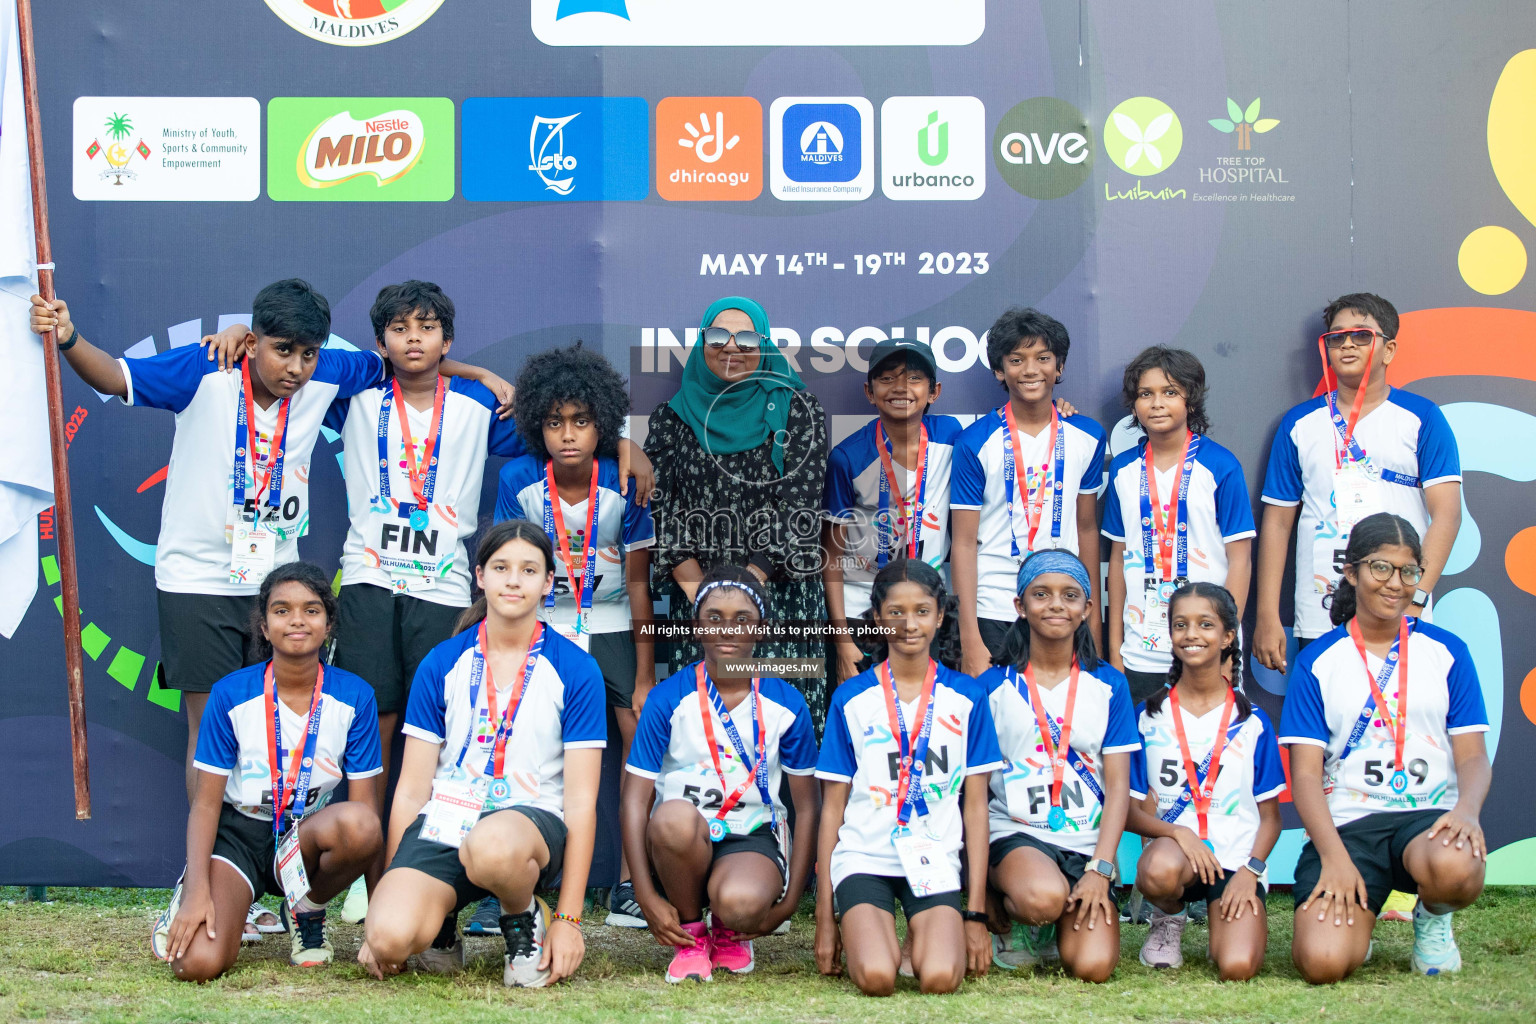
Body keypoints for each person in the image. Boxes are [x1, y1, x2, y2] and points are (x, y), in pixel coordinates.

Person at [358, 521, 606, 989]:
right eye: (501, 567)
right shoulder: (443, 661)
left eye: (529, 569)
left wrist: (570, 918)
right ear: (480, 576)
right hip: (448, 820)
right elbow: (411, 790)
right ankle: (442, 928)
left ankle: (523, 919)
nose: (514, 580)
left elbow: (580, 804)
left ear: (548, 582)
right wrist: (387, 889)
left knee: (492, 843)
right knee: (389, 938)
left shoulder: (576, 667)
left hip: (527, 827)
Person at [1280, 513, 1490, 982]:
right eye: (1381, 568)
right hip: (1349, 825)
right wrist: (1333, 857)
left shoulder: (1447, 651)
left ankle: (1432, 918)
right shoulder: (1319, 660)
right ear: (1351, 573)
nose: (1396, 583)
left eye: (1408, 571)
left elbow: (1473, 756)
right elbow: (1307, 776)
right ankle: (1361, 919)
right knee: (1322, 963)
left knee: (1456, 867)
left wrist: (1468, 812)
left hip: (1428, 818)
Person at [152, 562, 383, 979]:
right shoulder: (231, 693)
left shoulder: (355, 696)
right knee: (197, 965)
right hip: (240, 834)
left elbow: (366, 811)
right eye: (282, 610)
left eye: (311, 610)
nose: (297, 620)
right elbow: (205, 806)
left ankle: (306, 909)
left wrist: (381, 924)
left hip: (306, 835)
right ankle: (195, 886)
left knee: (361, 825)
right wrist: (198, 894)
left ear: (329, 624)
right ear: (263, 625)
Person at [496, 342, 657, 931]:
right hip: (545, 625)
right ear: (538, 423)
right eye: (555, 421)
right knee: (523, 736)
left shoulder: (623, 477)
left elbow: (639, 585)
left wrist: (643, 677)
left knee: (637, 739)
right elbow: (505, 572)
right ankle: (514, 884)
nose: (568, 434)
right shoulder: (518, 478)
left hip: (612, 620)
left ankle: (629, 884)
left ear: (602, 425)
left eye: (583, 422)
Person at [621, 566, 820, 982]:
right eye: (714, 617)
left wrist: (789, 902)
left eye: (742, 619)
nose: (727, 629)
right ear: (696, 627)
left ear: (761, 630)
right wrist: (643, 894)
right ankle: (692, 934)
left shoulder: (787, 701)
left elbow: (808, 805)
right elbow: (635, 798)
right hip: (683, 834)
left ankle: (729, 932)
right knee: (671, 819)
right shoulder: (667, 697)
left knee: (741, 902)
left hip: (752, 832)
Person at [815, 560, 1002, 996]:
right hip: (865, 857)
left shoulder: (967, 697)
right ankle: (875, 930)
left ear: (940, 616)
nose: (909, 624)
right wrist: (825, 919)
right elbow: (832, 811)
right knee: (877, 978)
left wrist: (974, 916)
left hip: (933, 858)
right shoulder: (852, 697)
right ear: (878, 618)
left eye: (921, 611)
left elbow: (975, 809)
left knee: (940, 978)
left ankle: (923, 933)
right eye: (895, 612)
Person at [644, 296, 830, 725]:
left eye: (746, 337)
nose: (732, 347)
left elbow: (798, 509)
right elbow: (662, 512)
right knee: (703, 737)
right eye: (717, 335)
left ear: (763, 343)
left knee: (784, 736)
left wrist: (744, 600)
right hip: (699, 605)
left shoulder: (800, 410)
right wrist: (707, 602)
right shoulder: (672, 421)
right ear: (700, 342)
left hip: (779, 600)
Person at [1255, 293, 1461, 675]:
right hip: (1320, 608)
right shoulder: (1299, 424)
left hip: (1398, 603)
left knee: (1397, 720)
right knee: (1325, 722)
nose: (1347, 344)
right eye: (1337, 337)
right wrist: (1267, 613)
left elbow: (1447, 516)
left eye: (1361, 335)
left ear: (1389, 349)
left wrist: (1414, 600)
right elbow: (1278, 522)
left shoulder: (1422, 418)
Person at [980, 550, 1137, 983]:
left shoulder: (1108, 684)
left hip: (1087, 842)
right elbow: (970, 793)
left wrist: (1101, 869)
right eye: (1041, 594)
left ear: (1087, 609)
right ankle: (1018, 911)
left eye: (1070, 596)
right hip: (1017, 833)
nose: (1055, 605)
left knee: (1093, 967)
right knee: (1043, 897)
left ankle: (1062, 913)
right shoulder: (992, 687)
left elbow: (1119, 787)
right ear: (1020, 606)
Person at [1127, 583, 1285, 979]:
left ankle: (1225, 914)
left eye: (1205, 624)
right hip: (1175, 858)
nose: (1191, 634)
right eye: (1180, 624)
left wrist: (1251, 871)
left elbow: (1271, 819)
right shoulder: (1146, 718)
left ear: (1228, 636)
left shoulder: (1252, 723)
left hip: (1235, 860)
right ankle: (1169, 918)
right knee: (1157, 869)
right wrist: (1179, 833)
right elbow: (1128, 812)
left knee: (1236, 966)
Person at [953, 308, 1107, 677]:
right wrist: (970, 636)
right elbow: (963, 542)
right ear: (999, 370)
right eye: (1017, 360)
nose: (1031, 370)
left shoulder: (1087, 435)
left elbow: (1086, 529)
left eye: (1043, 358)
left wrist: (1094, 621)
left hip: (1065, 606)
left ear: (1060, 367)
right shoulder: (974, 441)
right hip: (995, 607)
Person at [1102, 346, 1256, 703]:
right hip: (1139, 648)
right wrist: (1115, 649)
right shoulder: (1123, 470)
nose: (1157, 403)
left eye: (1170, 392)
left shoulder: (1220, 466)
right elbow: (1118, 559)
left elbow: (1240, 561)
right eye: (1146, 394)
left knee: (1209, 749)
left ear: (1191, 399)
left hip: (1206, 648)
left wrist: (1224, 647)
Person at [822, 338, 964, 683]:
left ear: (935, 391)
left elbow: (1013, 429)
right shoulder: (848, 457)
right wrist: (842, 642)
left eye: (914, 378)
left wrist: (1059, 409)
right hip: (863, 611)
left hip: (927, 609)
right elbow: (831, 557)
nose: (901, 387)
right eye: (887, 378)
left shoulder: (953, 436)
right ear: (870, 392)